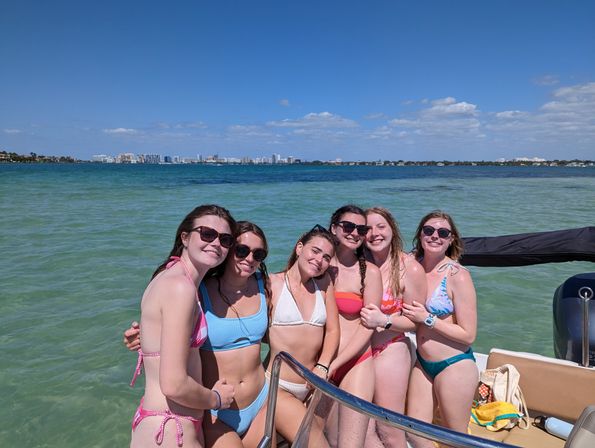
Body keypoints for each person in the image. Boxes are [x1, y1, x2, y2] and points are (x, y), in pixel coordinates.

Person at [126, 221, 272, 448]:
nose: (250, 258)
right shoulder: (197, 290)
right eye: (241, 250)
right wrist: (145, 335)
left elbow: (272, 331)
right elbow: (168, 319)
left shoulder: (264, 286)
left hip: (260, 396)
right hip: (216, 408)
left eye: (258, 254)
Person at [129, 204, 236, 448]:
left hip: (162, 423)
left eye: (226, 239)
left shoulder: (169, 276)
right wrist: (217, 399)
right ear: (185, 237)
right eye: (207, 234)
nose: (216, 243)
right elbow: (174, 383)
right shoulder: (181, 288)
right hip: (169, 428)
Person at [402, 211, 478, 447]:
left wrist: (428, 319)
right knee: (414, 432)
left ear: (451, 239)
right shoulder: (409, 264)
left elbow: (468, 334)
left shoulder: (458, 276)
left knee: (454, 438)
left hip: (454, 364)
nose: (435, 236)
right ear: (420, 234)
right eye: (428, 230)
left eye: (442, 232)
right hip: (423, 364)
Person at [267, 224, 340, 446]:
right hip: (278, 386)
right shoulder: (272, 283)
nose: (320, 260)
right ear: (300, 248)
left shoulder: (324, 284)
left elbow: (333, 330)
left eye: (327, 257)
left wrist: (323, 367)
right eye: (315, 251)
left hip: (315, 386)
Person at [359, 207, 427, 448]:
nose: (374, 234)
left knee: (389, 429)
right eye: (368, 229)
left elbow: (415, 321)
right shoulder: (357, 264)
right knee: (361, 428)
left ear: (392, 230)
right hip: (359, 353)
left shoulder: (410, 268)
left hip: (391, 347)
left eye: (381, 227)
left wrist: (384, 320)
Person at [325, 205, 383, 448]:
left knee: (350, 444)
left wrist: (334, 364)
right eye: (348, 227)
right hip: (321, 362)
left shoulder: (369, 272)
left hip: (354, 362)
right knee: (329, 439)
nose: (354, 233)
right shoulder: (319, 265)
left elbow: (367, 326)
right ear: (334, 228)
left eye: (361, 229)